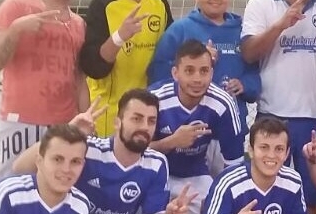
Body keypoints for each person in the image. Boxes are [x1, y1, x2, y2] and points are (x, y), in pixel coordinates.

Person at [0, 0, 93, 183]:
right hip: (21, 120)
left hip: (63, 124)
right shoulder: (16, 6)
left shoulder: (79, 24)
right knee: (9, 189)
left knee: (56, 192)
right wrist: (17, 29)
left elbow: (78, 79)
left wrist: (86, 116)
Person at [239, 0, 316, 214]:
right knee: (264, 189)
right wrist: (281, 25)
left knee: (311, 197)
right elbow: (248, 53)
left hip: (315, 115)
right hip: (272, 114)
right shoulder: (260, 2)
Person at [13, 89, 194, 214]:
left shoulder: (157, 164)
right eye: (137, 119)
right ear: (117, 122)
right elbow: (20, 167)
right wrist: (67, 132)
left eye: (151, 121)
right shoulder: (89, 149)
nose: (144, 127)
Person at [147, 0, 260, 132]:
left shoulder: (242, 30)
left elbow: (255, 72)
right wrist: (195, 63)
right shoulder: (180, 30)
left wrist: (245, 84)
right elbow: (158, 73)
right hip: (187, 126)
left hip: (229, 126)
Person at [80, 0, 174, 138]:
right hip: (110, 114)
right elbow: (93, 67)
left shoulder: (159, 2)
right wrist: (119, 37)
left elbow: (172, 52)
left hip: (149, 112)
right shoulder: (103, 5)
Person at [149, 39, 247, 213]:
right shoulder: (153, 99)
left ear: (211, 73)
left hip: (197, 175)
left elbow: (234, 166)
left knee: (220, 203)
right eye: (189, 71)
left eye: (203, 71)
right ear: (175, 73)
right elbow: (134, 152)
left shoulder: (223, 103)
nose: (197, 79)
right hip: (155, 173)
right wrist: (172, 141)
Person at [202, 117, 306, 214]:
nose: (271, 155)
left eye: (279, 149)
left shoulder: (293, 181)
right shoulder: (227, 183)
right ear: (251, 150)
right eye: (264, 147)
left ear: (287, 153)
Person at [0, 124, 91, 214]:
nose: (66, 169)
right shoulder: (9, 195)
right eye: (57, 159)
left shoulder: (80, 206)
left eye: (75, 161)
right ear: (39, 161)